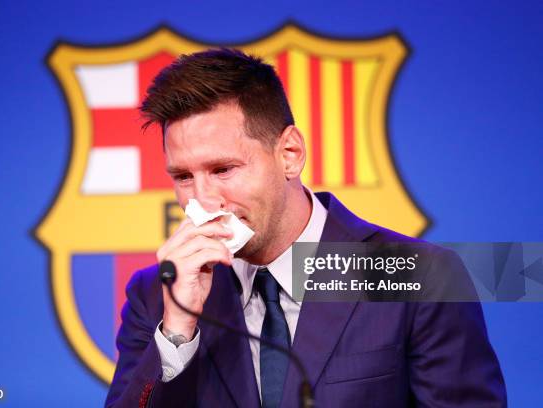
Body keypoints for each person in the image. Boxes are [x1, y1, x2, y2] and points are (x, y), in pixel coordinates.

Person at [105, 48, 506, 407]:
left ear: (290, 154)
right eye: (183, 177)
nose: (204, 200)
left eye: (223, 169)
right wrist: (177, 333)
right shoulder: (156, 295)